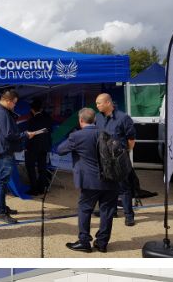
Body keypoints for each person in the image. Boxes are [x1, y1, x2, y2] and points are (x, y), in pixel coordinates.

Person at [57, 107, 119, 253]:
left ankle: (84, 241)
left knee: (85, 209)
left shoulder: (76, 136)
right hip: (111, 180)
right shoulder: (107, 134)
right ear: (95, 120)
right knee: (107, 212)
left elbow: (60, 150)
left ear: (80, 120)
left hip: (90, 182)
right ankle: (102, 243)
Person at [0, 89, 36, 224]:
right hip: (3, 151)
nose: (14, 106)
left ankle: (3, 207)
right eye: (14, 103)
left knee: (2, 181)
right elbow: (9, 134)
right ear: (8, 101)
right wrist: (26, 135)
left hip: (3, 150)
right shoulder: (1, 112)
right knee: (2, 182)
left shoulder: (1, 111)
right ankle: (1, 212)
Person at [95, 93, 137, 226]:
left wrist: (125, 153)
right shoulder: (98, 118)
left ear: (108, 103)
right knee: (108, 187)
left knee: (123, 187)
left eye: (99, 103)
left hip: (119, 160)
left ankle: (129, 215)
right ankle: (111, 211)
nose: (97, 106)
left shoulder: (123, 118)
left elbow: (131, 139)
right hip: (104, 160)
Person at [24, 98, 52, 196]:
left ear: (32, 110)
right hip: (44, 146)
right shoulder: (48, 119)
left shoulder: (31, 121)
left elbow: (29, 135)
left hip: (32, 147)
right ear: (41, 108)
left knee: (30, 168)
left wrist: (26, 146)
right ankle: (42, 188)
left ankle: (34, 189)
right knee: (42, 168)